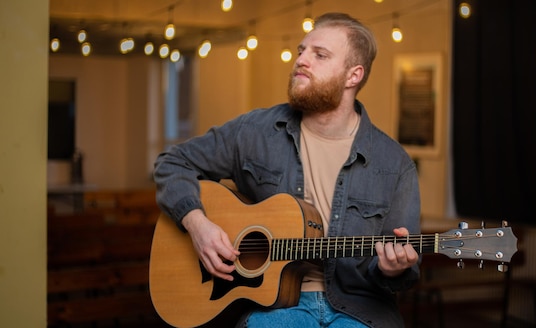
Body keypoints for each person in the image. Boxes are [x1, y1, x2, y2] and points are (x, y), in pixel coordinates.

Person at [153, 12, 421, 328]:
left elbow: (402, 274)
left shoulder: (395, 164)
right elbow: (171, 163)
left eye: (319, 55)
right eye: (301, 51)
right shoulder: (254, 131)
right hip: (274, 307)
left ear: (353, 75)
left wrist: (394, 268)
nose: (301, 61)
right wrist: (197, 225)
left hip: (358, 309)